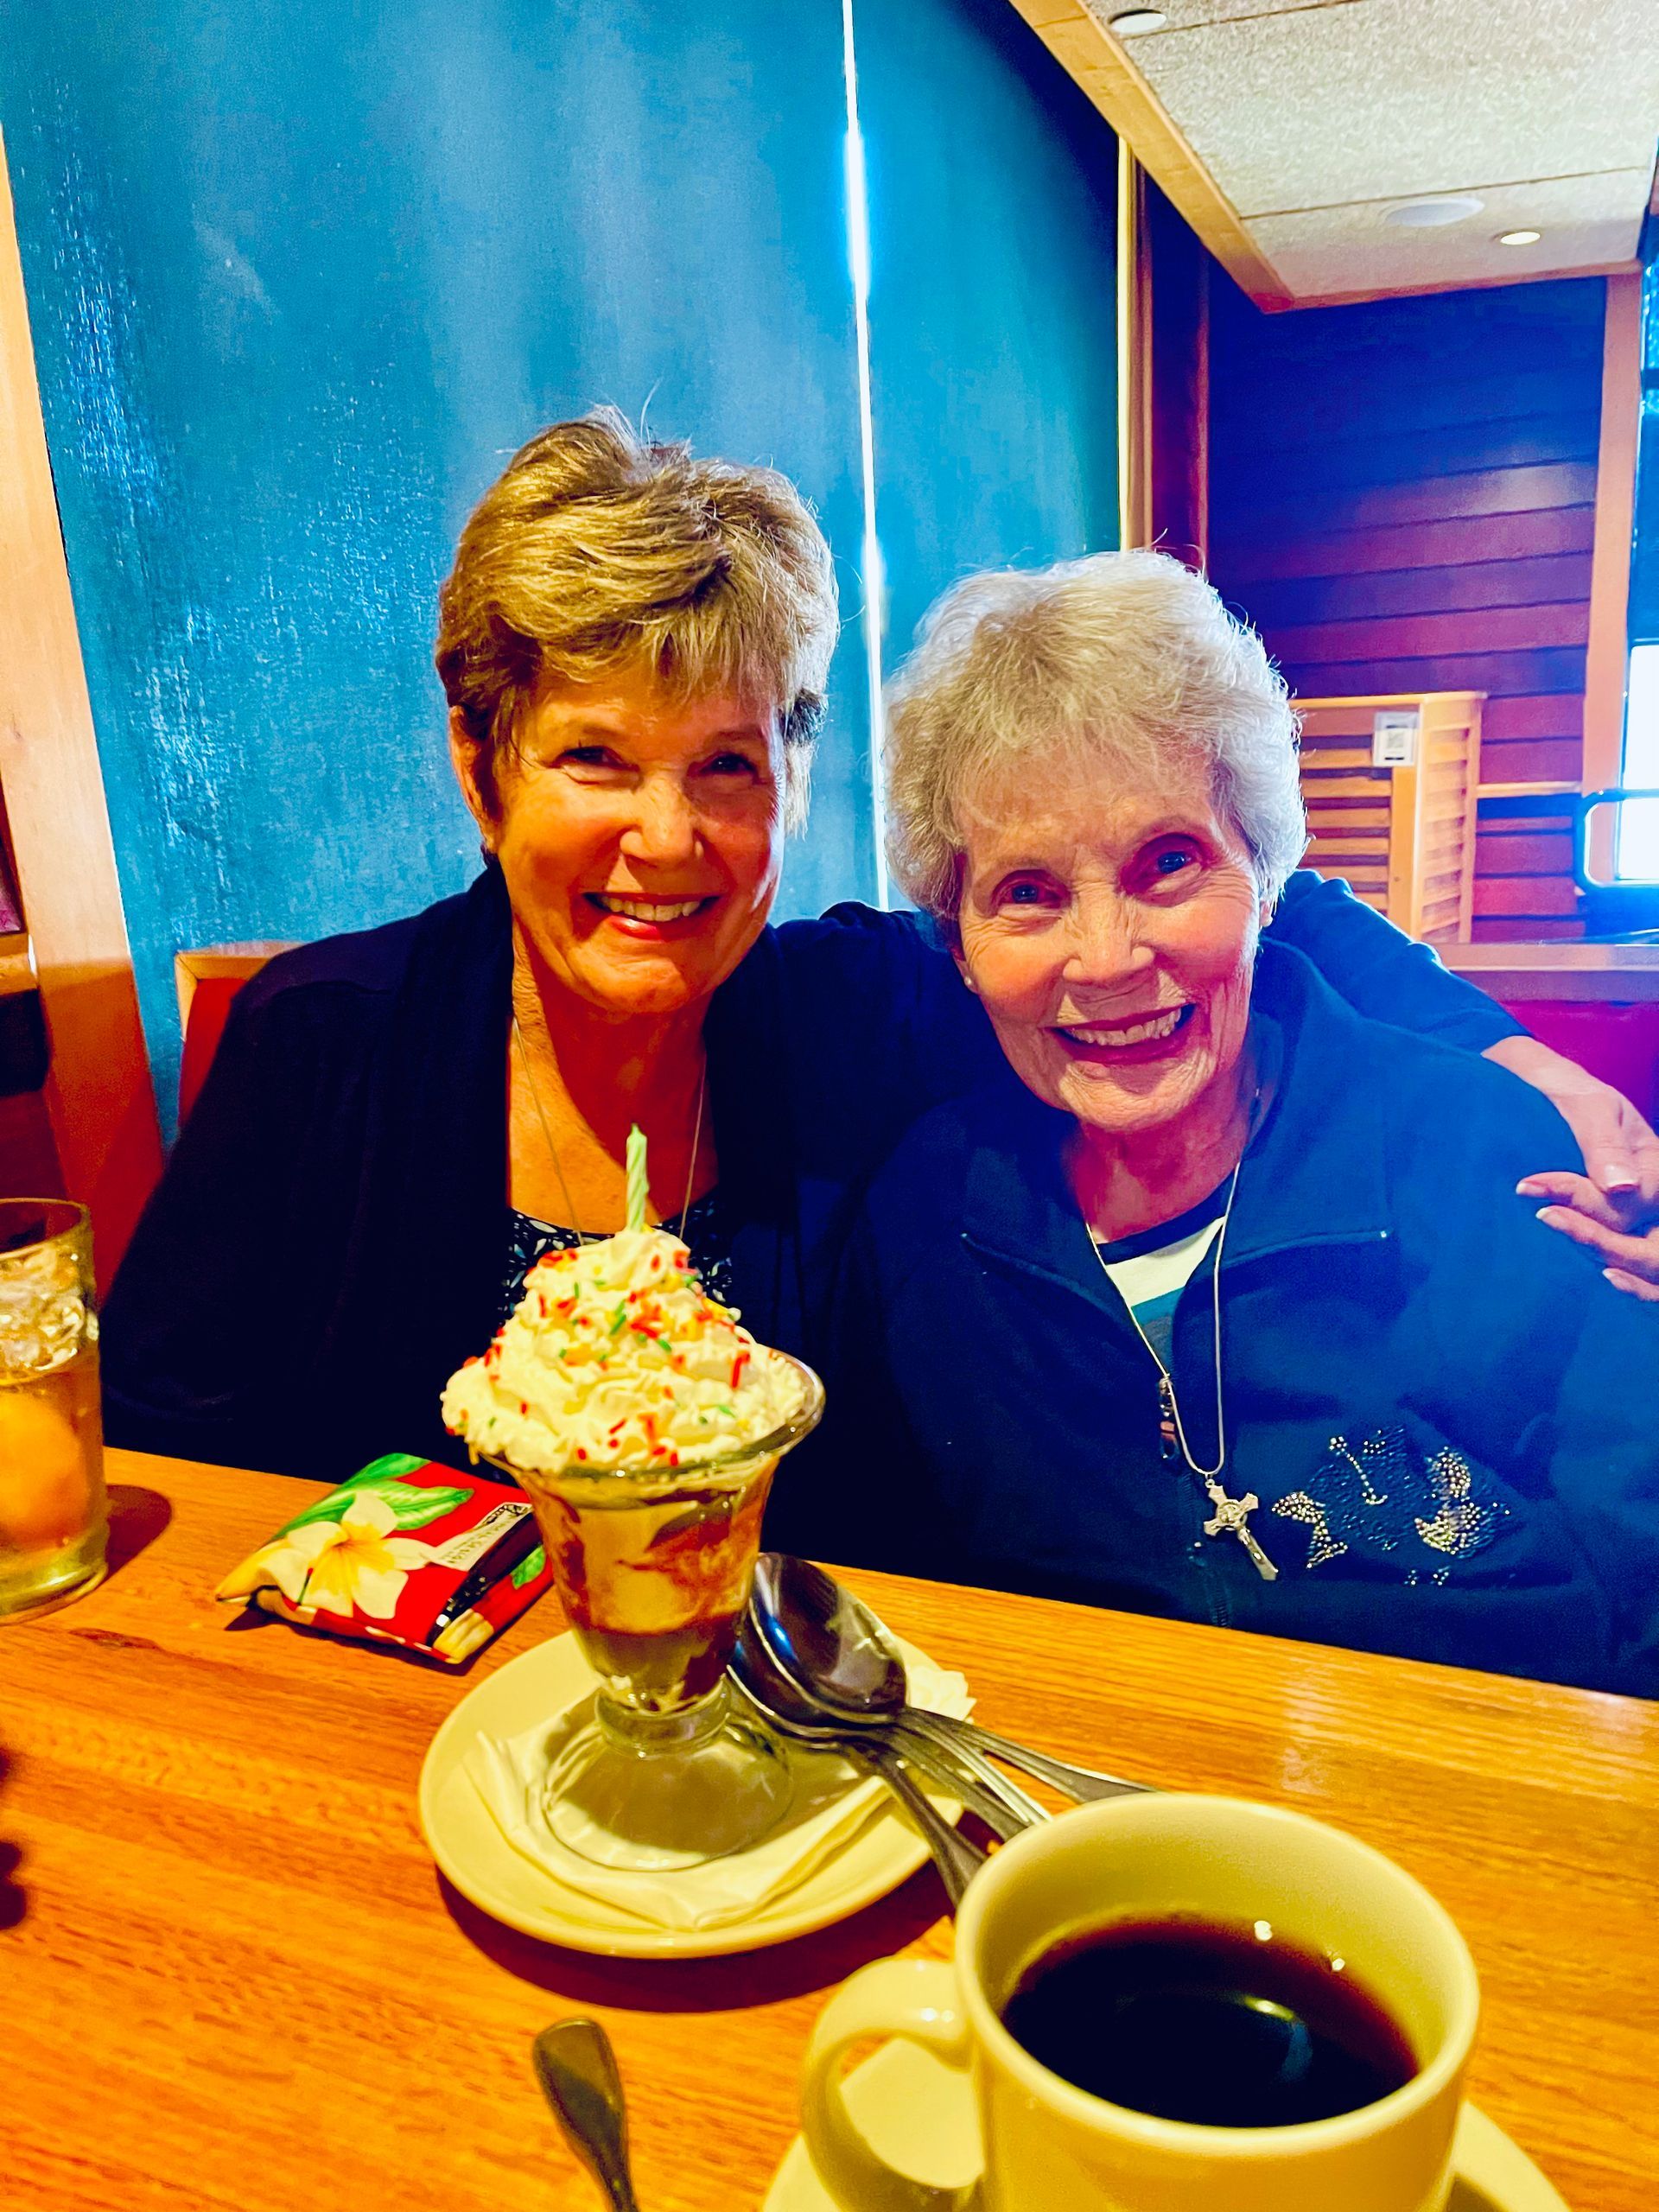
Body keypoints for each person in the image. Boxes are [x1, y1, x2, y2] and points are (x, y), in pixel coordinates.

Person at [101, 417, 1659, 1488]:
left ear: (791, 781)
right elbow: (156, 1451)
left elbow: (1216, 895)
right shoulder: (328, 1047)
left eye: (726, 766)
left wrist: (1524, 1061)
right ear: (481, 765)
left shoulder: (856, 1012)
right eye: (594, 760)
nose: (667, 839)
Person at [788, 550, 1659, 1697]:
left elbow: (1638, 1611)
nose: (1107, 961)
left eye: (1168, 862)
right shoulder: (917, 1222)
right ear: (959, 947)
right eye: (1028, 893)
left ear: (1265, 873)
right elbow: (874, 1614)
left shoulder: (1497, 1164)